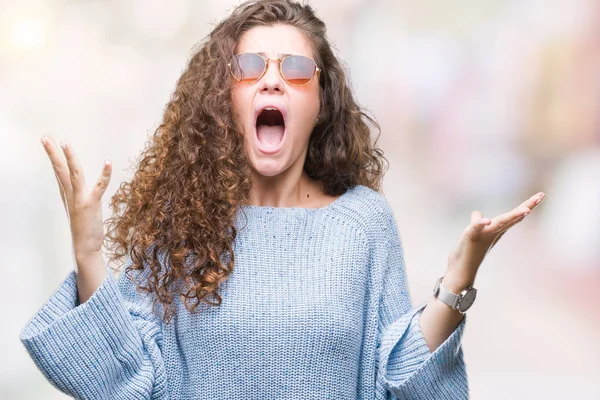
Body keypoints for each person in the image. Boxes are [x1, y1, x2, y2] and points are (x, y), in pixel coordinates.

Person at [20, 1, 545, 399]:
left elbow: (399, 380)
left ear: (321, 102)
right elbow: (127, 377)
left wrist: (457, 281)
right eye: (249, 66)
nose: (272, 80)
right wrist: (89, 254)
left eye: (294, 68)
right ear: (223, 99)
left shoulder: (363, 221)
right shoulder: (179, 223)